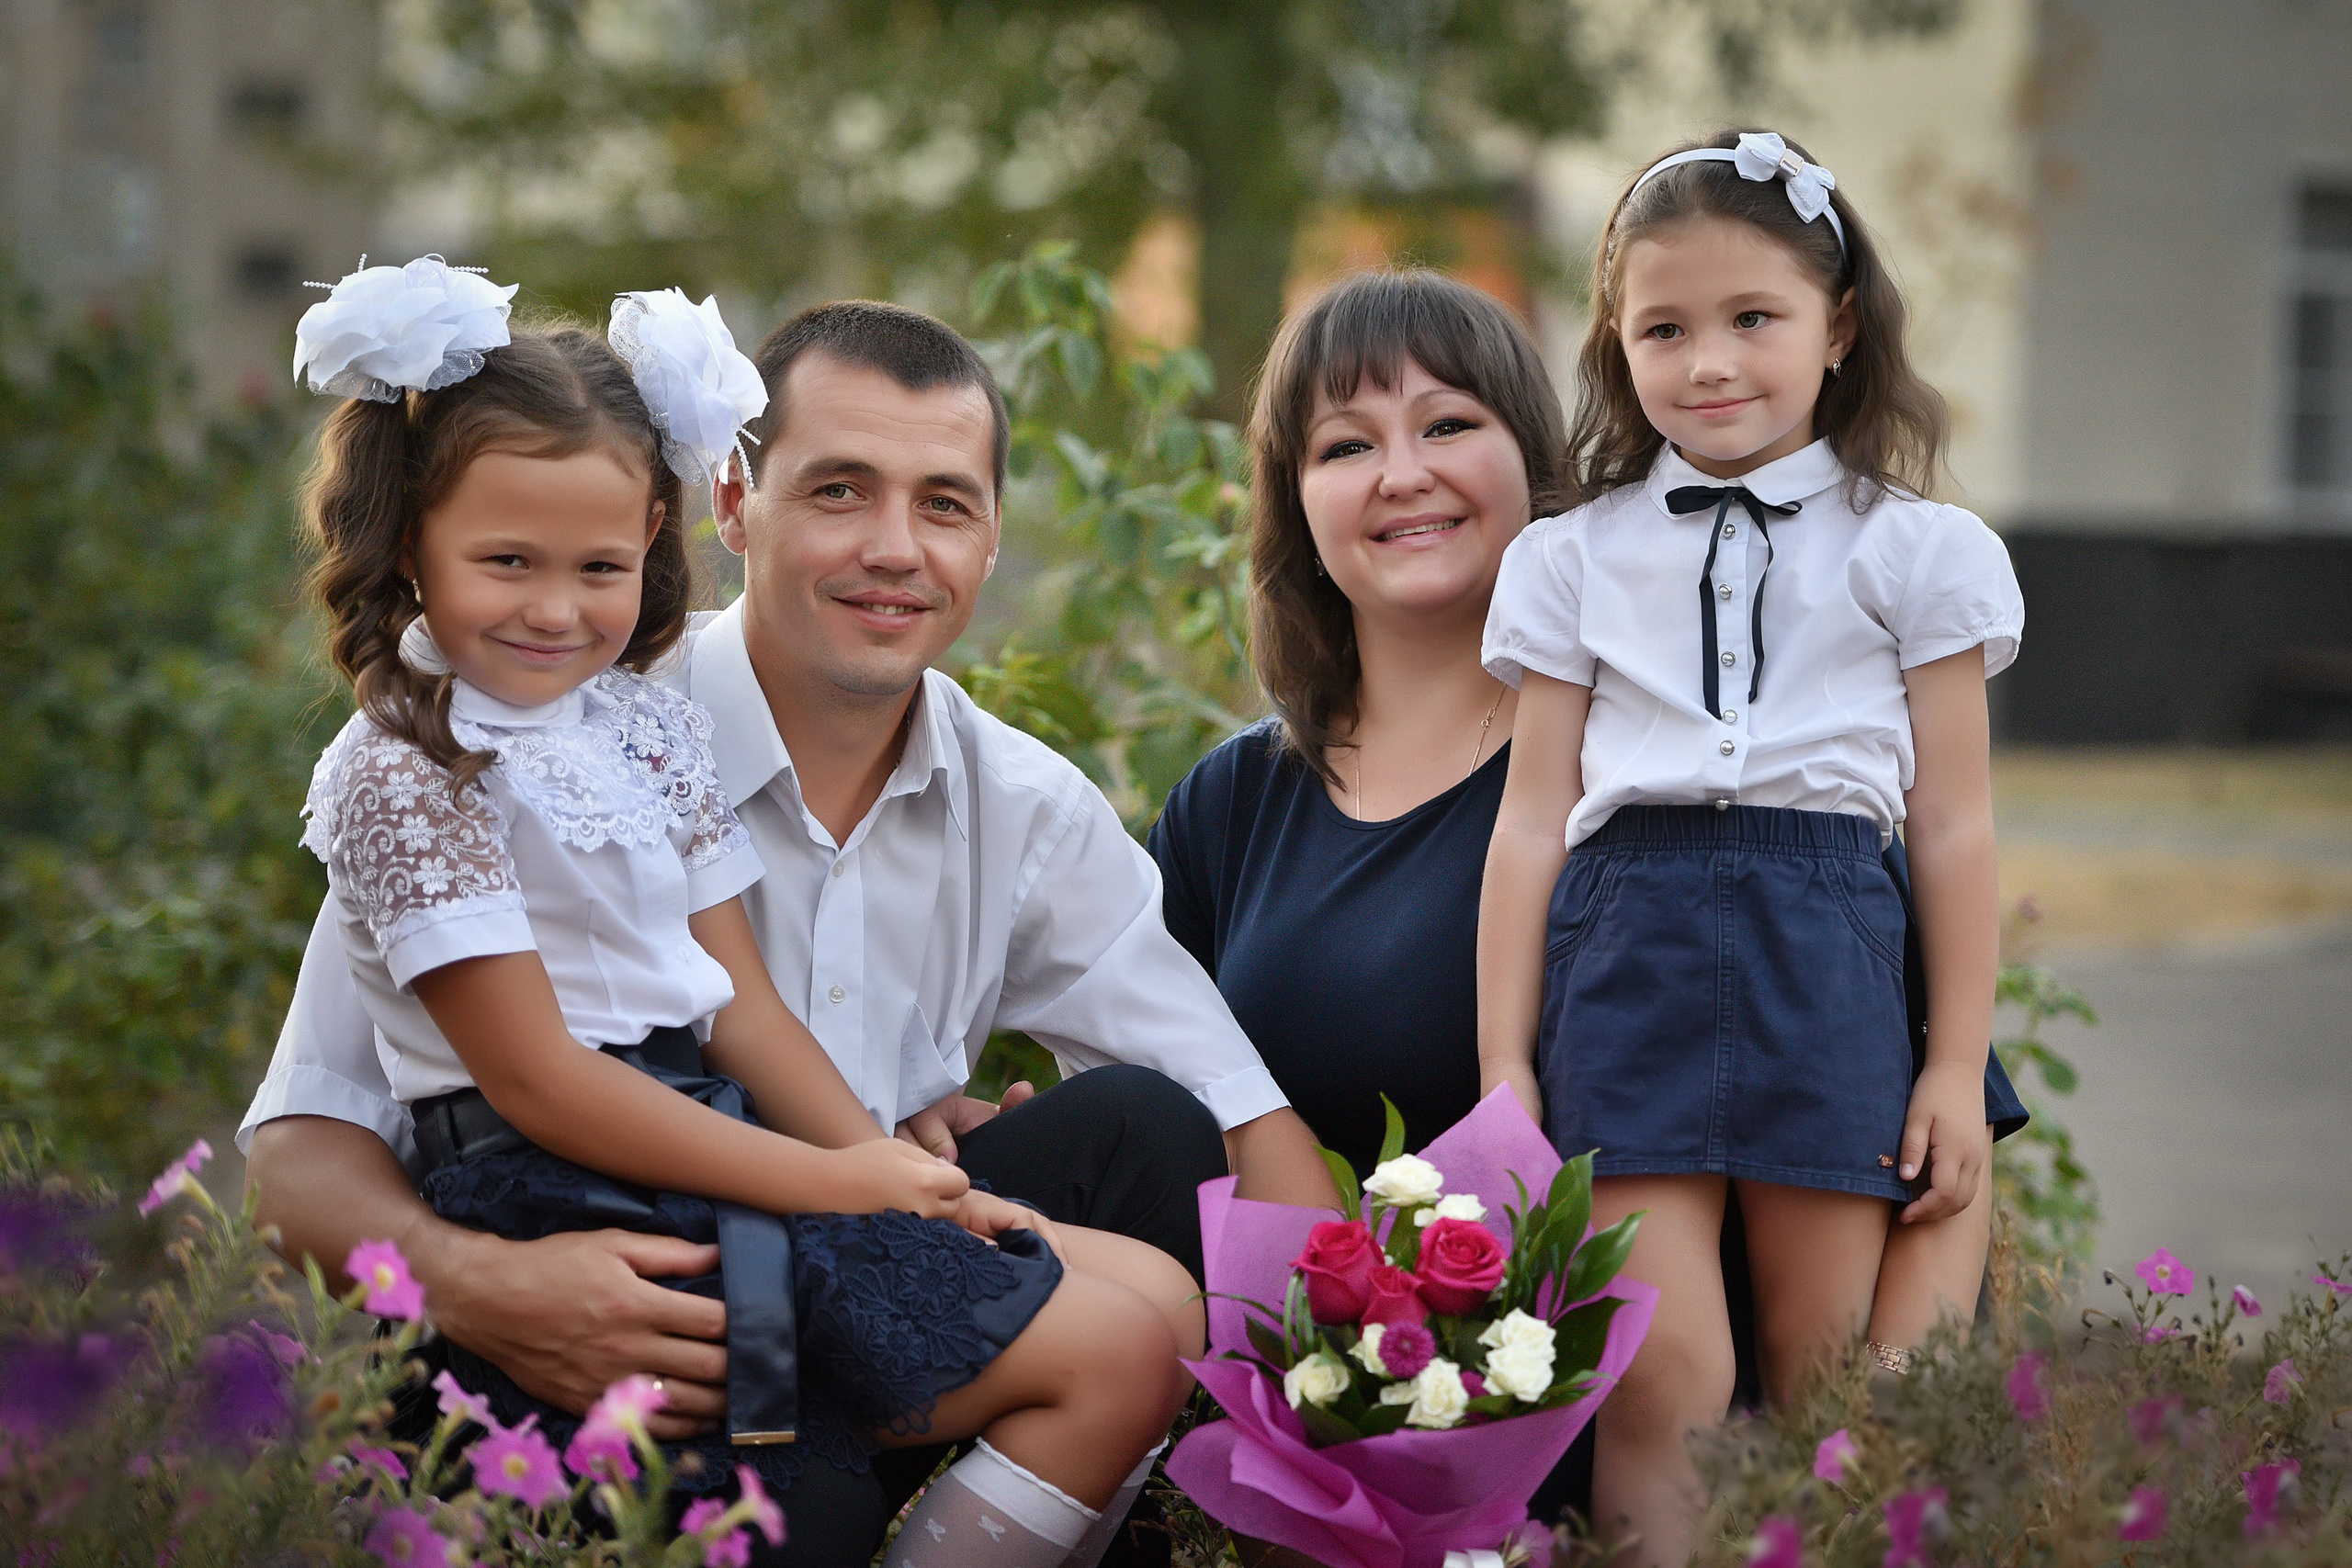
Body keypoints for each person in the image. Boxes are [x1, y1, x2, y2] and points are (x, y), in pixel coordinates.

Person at [245, 285, 1334, 1562]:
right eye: (837, 489)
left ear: (989, 543)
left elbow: (1241, 1114)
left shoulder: (1012, 803)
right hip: (580, 1260)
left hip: (813, 1213)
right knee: (809, 1507)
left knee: (1154, 1159)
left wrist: (1377, 1404)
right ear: (730, 505)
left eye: (943, 504)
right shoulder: (488, 732)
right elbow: (303, 1147)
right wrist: (483, 1286)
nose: (893, 546)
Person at [1476, 130, 2027, 1566]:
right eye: (1665, 329)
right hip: (1628, 949)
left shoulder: (1919, 550)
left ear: (1838, 328)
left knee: (1822, 1366)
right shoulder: (1571, 554)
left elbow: (1955, 823)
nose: (1709, 362)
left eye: (1753, 320)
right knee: (1658, 1367)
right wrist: (1503, 1061)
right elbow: (1532, 819)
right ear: (1617, 341)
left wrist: (1954, 1065)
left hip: (1827, 940)